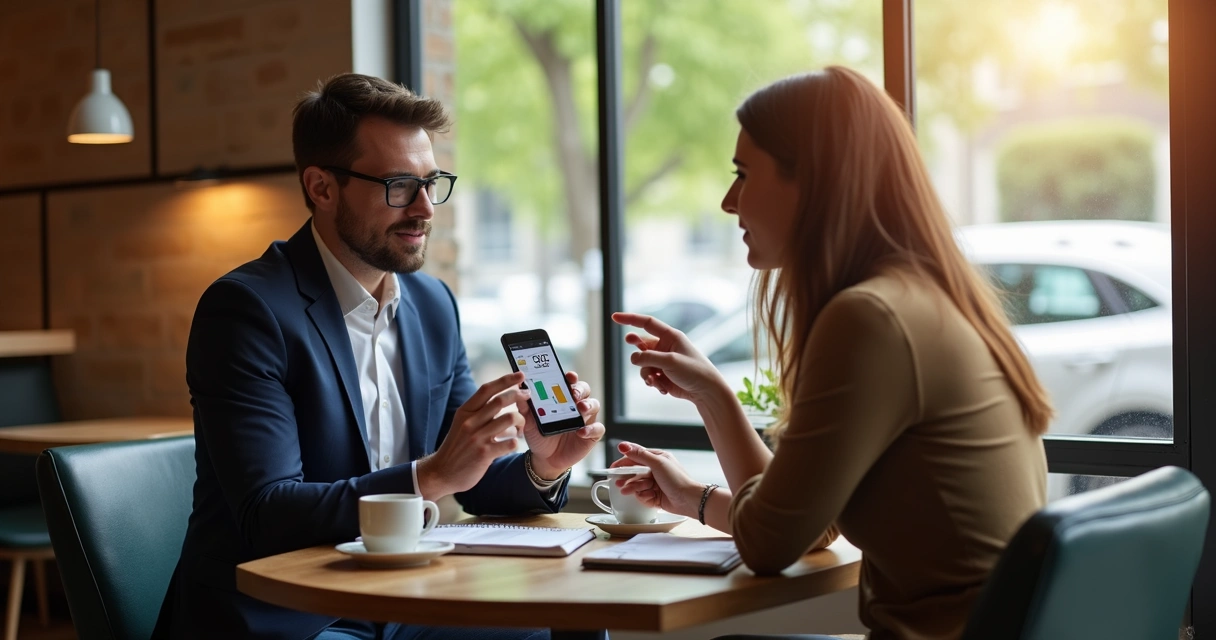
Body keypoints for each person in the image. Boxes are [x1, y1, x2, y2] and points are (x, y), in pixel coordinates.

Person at [155, 73, 605, 640]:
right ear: (321, 187)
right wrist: (430, 475)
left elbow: (470, 481)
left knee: (571, 622)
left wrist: (544, 465)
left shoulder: (433, 304)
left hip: (406, 597)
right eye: (398, 185)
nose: (425, 209)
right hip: (284, 614)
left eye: (431, 183)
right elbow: (268, 513)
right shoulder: (246, 311)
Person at [610, 66, 1050, 640]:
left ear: (812, 183)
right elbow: (804, 526)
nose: (728, 201)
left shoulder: (871, 318)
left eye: (743, 174)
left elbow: (770, 543)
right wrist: (711, 397)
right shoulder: (923, 299)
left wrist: (703, 485)